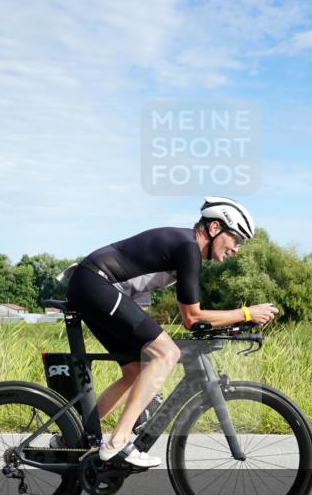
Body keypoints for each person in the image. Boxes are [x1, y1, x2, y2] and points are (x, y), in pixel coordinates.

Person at [64, 197, 278, 468]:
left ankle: (70, 436)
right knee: (167, 352)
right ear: (214, 228)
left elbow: (163, 304)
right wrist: (247, 314)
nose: (237, 249)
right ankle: (118, 443)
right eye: (236, 239)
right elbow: (192, 317)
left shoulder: (184, 248)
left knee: (136, 370)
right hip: (96, 282)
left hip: (93, 285)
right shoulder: (188, 248)